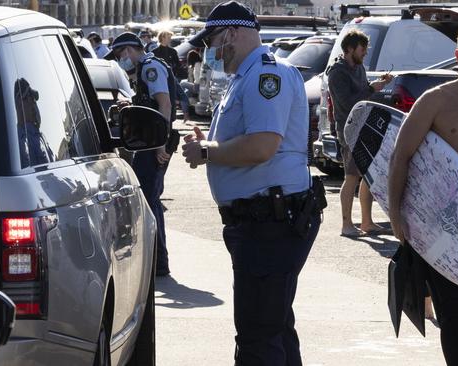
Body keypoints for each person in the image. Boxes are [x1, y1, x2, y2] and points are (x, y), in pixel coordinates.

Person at [182, 2, 325, 364]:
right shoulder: (245, 77)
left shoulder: (265, 76)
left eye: (212, 41)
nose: (209, 53)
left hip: (270, 224)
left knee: (258, 339)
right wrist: (208, 148)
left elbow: (262, 145)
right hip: (262, 223)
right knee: (273, 328)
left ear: (231, 33)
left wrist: (207, 153)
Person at [389, 23, 458, 366]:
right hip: (441, 223)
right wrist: (396, 213)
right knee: (452, 309)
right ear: (457, 57)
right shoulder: (434, 101)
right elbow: (400, 156)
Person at [105, 32, 177, 276]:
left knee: (149, 201)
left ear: (128, 50)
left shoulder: (150, 67)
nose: (119, 59)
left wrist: (160, 144)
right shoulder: (144, 69)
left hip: (154, 144)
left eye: (119, 54)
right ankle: (156, 260)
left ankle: (159, 262)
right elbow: (150, 104)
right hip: (149, 142)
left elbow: (164, 104)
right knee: (148, 199)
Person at [326, 29, 393, 237]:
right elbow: (348, 103)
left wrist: (378, 85)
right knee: (352, 176)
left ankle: (367, 222)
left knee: (368, 175)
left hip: (365, 126)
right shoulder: (337, 72)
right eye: (362, 49)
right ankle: (347, 225)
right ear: (349, 49)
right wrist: (373, 88)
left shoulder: (359, 67)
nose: (365, 53)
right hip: (348, 129)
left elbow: (363, 93)